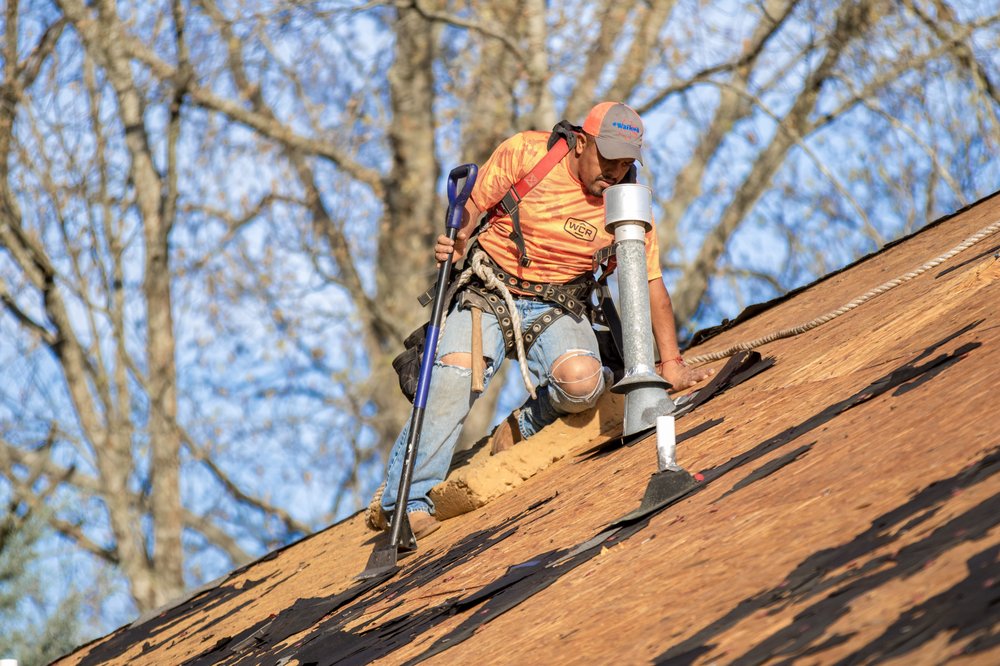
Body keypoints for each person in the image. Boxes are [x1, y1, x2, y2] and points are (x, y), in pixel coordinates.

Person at [375, 102, 714, 539]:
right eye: (607, 158)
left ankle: (523, 427)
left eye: (626, 163)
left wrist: (671, 365)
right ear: (580, 142)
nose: (614, 172)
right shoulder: (528, 154)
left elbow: (649, 285)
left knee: (584, 382)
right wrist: (458, 242)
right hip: (489, 289)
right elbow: (475, 206)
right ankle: (406, 503)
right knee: (454, 377)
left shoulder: (627, 204)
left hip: (558, 304)